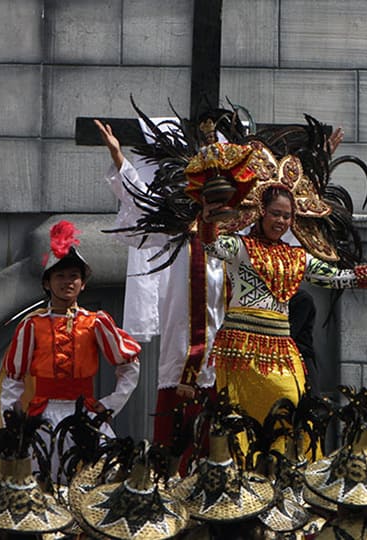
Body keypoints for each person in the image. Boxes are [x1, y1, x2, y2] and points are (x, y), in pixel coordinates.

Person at [199, 186, 367, 431]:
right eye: (275, 213)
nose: (281, 221)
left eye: (287, 216)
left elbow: (338, 277)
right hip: (243, 349)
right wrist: (208, 220)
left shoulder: (298, 257)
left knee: (291, 407)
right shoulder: (240, 247)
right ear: (261, 212)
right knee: (241, 421)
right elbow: (211, 244)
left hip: (281, 349)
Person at [96, 119, 224, 471]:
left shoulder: (239, 235)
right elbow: (140, 205)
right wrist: (120, 159)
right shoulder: (178, 228)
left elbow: (284, 225)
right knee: (176, 452)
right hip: (182, 353)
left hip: (230, 355)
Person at [0, 220, 141, 437]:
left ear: (83, 283)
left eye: (74, 276)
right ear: (47, 283)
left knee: (100, 468)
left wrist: (111, 404)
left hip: (86, 415)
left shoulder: (96, 322)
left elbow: (129, 365)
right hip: (42, 419)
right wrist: (12, 418)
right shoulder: (32, 325)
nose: (68, 282)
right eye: (60, 276)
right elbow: (14, 378)